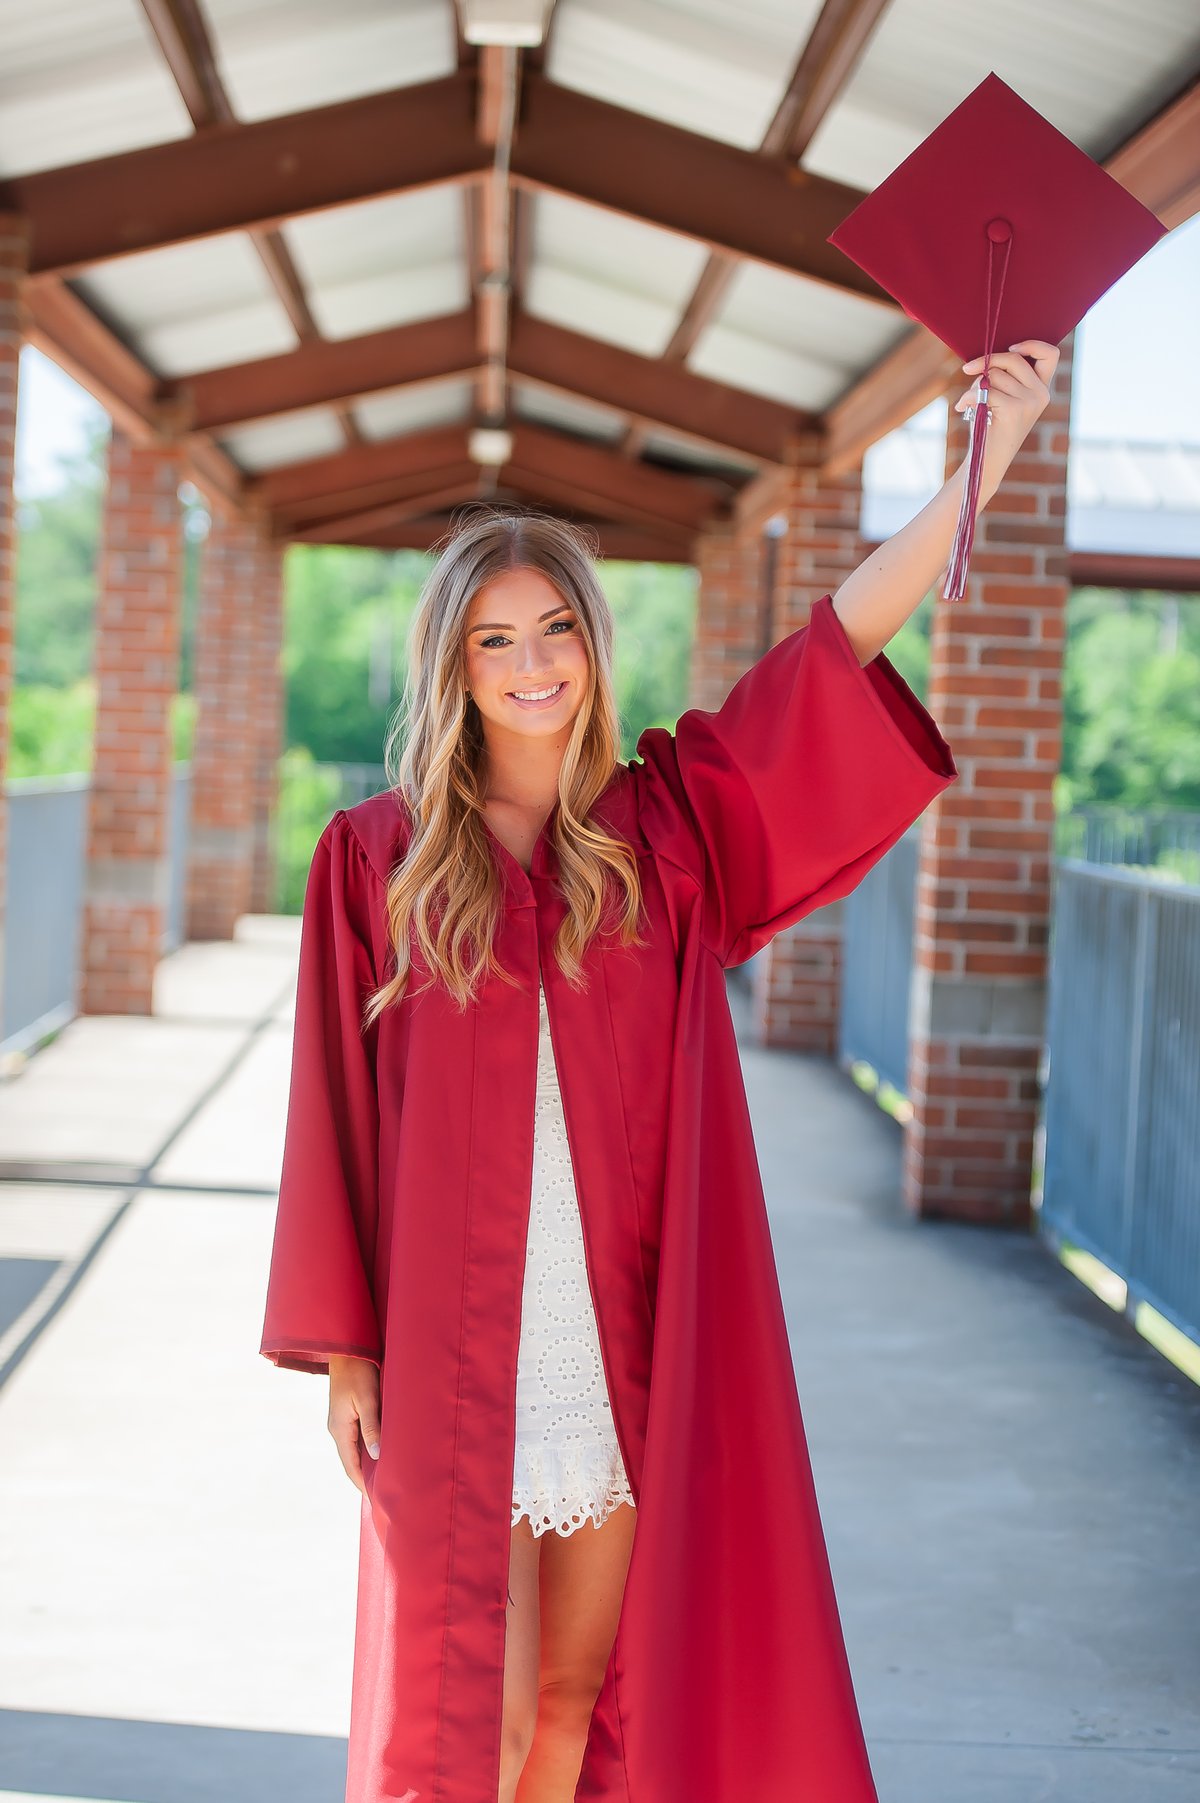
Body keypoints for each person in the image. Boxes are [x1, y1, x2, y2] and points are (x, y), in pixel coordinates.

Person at [260, 343, 1059, 1803]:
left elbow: (835, 649)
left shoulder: (661, 837)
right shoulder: (374, 862)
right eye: (493, 642)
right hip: (450, 1338)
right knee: (469, 1721)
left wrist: (983, 462)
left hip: (614, 1342)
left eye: (555, 628)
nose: (533, 667)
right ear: (451, 667)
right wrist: (345, 1345)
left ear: (592, 643)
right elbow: (331, 1115)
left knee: (573, 1699)